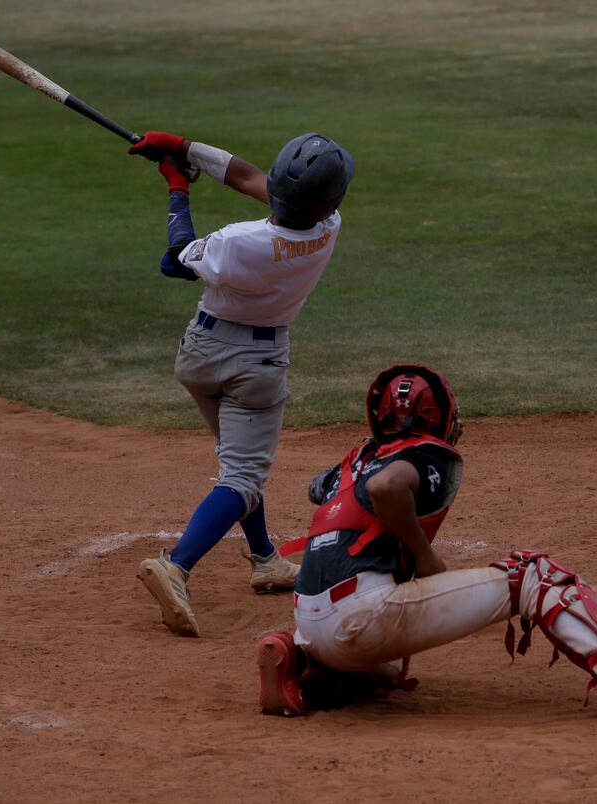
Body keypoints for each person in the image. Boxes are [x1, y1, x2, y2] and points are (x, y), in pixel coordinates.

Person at [255, 364, 597, 719]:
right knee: (533, 575)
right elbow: (387, 488)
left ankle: (302, 662)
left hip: (310, 618)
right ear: (438, 415)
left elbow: (320, 488)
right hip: (361, 615)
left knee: (389, 666)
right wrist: (424, 555)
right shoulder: (423, 452)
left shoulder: (354, 459)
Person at [129, 130, 355, 638]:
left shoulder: (238, 242)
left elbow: (176, 259)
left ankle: (265, 560)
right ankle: (176, 565)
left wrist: (176, 185)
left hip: (200, 356)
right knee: (243, 475)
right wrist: (184, 149)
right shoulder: (329, 225)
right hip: (255, 366)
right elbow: (251, 178)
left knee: (239, 465)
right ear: (329, 202)